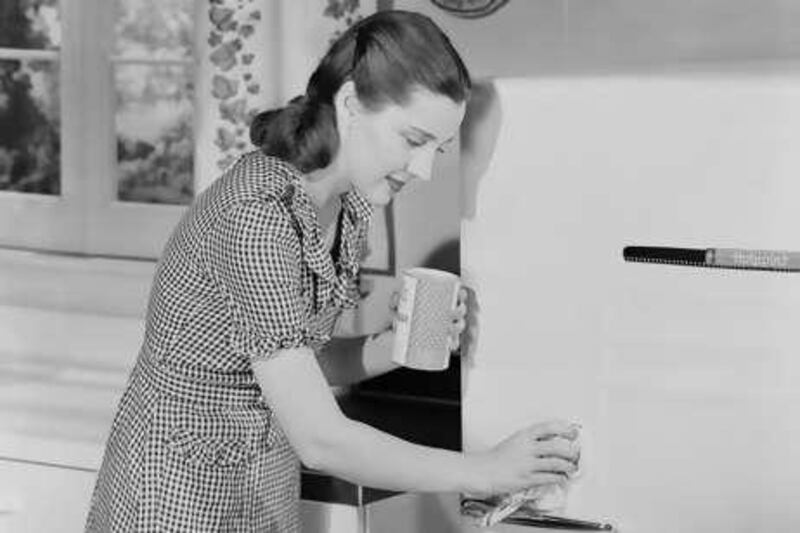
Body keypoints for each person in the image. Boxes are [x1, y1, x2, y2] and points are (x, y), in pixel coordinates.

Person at [85, 9, 580, 532]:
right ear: (349, 105)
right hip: (173, 501)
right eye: (413, 140)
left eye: (439, 149)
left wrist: (397, 344)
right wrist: (483, 472)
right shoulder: (256, 216)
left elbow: (305, 364)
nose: (424, 170)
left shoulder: (347, 206)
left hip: (259, 495)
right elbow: (320, 439)